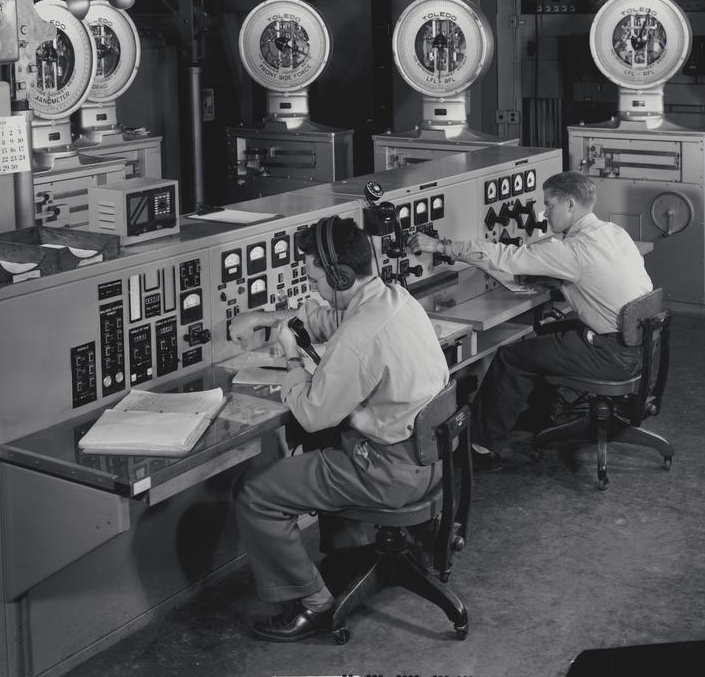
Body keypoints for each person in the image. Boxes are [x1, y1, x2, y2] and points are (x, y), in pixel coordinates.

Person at [228, 215, 449, 642]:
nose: (313, 289)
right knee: (328, 441)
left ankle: (313, 604)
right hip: (431, 461)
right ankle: (352, 556)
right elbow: (335, 319)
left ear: (338, 274)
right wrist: (262, 316)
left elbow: (312, 413)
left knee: (255, 492)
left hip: (386, 474)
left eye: (314, 278)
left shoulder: (359, 337)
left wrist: (293, 360)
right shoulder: (395, 298)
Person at [408, 171, 652, 467]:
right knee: (546, 333)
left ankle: (481, 447)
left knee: (511, 358)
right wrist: (561, 283)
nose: (545, 213)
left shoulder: (573, 250)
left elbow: (505, 256)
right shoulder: (614, 232)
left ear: (571, 205)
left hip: (609, 353)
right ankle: (540, 415)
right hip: (637, 344)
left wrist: (439, 246)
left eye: (550, 205)